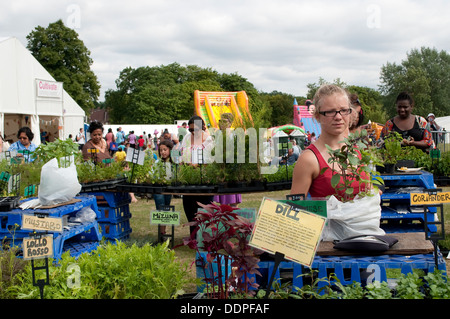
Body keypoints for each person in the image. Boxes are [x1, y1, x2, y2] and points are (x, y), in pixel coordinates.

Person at [290, 84, 368, 200]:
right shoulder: (309, 159)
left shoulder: (357, 151)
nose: (338, 117)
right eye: (330, 112)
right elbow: (294, 206)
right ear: (317, 116)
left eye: (343, 110)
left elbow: (368, 189)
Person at [180, 115, 215, 235]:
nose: (192, 132)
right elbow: (182, 154)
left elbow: (211, 161)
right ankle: (193, 237)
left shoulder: (209, 140)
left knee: (204, 210)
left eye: (194, 129)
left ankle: (205, 237)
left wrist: (198, 165)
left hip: (205, 180)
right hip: (189, 180)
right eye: (190, 130)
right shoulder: (187, 138)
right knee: (190, 211)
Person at [213, 113, 242, 208]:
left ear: (230, 124)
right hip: (221, 168)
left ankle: (234, 219)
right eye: (220, 121)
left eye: (224, 121)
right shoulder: (218, 135)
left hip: (232, 168)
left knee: (233, 198)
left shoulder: (234, 135)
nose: (221, 123)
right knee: (223, 200)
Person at [153, 139, 174, 239]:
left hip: (168, 190)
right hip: (158, 190)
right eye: (161, 150)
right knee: (161, 209)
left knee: (166, 208)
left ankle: (163, 232)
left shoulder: (173, 162)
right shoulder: (157, 162)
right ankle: (162, 233)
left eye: (165, 150)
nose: (163, 152)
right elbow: (153, 175)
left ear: (170, 150)